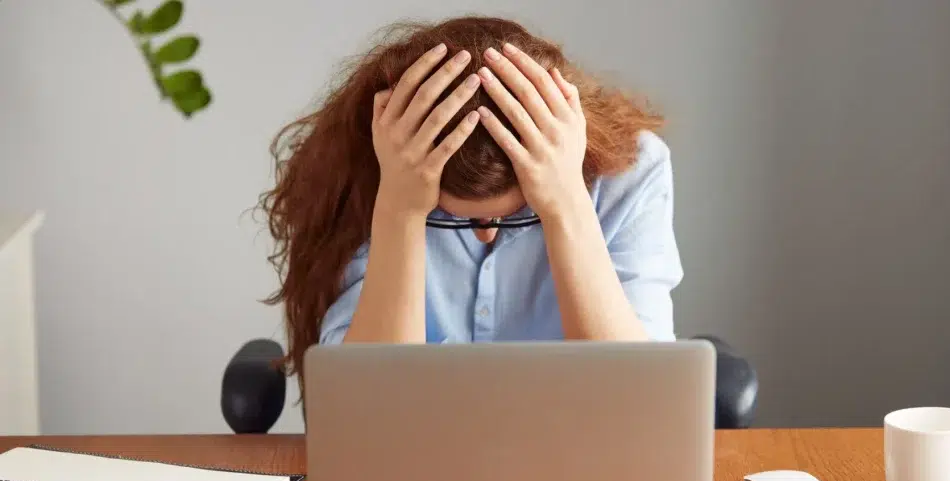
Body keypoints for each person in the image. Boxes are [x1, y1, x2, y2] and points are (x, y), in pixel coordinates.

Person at [257, 16, 683, 389]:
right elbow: (371, 403)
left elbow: (633, 394)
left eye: (518, 214)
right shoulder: (374, 171)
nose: (488, 233)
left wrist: (565, 204)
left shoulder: (632, 172)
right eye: (453, 218)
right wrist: (400, 212)